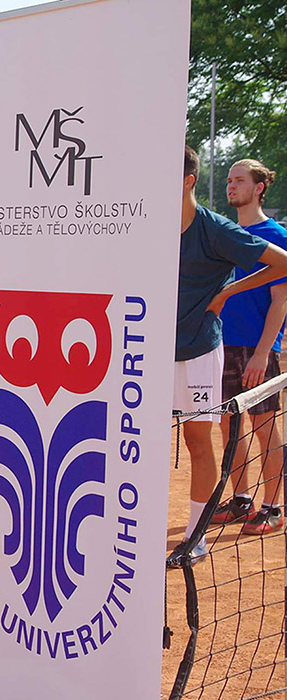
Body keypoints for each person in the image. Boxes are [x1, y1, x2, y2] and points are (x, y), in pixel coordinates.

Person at [169, 146, 287, 568]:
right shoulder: (148, 225)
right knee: (145, 440)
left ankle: (198, 536)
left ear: (188, 180)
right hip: (152, 352)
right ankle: (237, 500)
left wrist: (226, 292)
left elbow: (281, 267)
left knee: (204, 439)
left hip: (205, 352)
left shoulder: (217, 229)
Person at [211, 158, 286, 535]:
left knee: (264, 425)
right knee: (229, 425)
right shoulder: (226, 235)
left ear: (259, 188)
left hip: (257, 349)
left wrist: (262, 352)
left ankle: (273, 507)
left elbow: (281, 300)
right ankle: (242, 500)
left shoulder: (276, 235)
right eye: (229, 180)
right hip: (221, 344)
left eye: (239, 180)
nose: (231, 185)